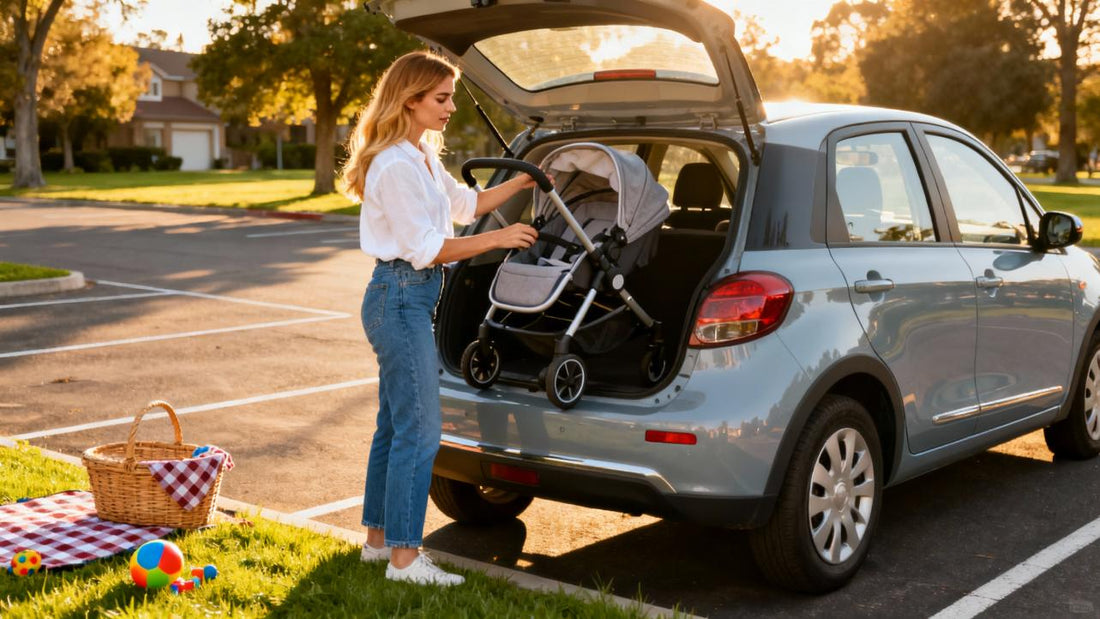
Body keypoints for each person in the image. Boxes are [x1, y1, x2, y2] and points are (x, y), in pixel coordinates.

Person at [340, 51, 539, 586]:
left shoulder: (422, 154)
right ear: (411, 100)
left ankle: (379, 545)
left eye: (450, 97)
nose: (451, 107)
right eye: (442, 98)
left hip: (409, 299)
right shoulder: (394, 165)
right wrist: (500, 238)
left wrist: (521, 183)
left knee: (393, 427)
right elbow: (426, 248)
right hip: (399, 298)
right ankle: (406, 561)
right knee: (421, 433)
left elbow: (467, 204)